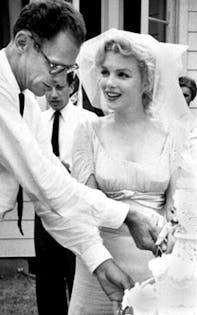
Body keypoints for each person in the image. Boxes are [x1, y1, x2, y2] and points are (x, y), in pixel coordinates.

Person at [0, 2, 165, 314]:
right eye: (55, 65)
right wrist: (127, 214)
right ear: (23, 43)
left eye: (68, 71)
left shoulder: (27, 104)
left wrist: (99, 260)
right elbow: (45, 181)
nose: (59, 79)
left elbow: (50, 201)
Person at [68, 29, 191, 315]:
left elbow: (176, 205)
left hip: (155, 265)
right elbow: (84, 205)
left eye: (123, 75)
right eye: (105, 72)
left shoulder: (172, 134)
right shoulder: (88, 130)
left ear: (146, 81)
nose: (109, 83)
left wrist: (175, 233)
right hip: (100, 264)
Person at [34, 72, 96, 315]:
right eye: (48, 88)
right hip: (46, 212)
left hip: (77, 212)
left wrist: (69, 172)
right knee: (47, 283)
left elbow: (95, 169)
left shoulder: (89, 121)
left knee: (77, 278)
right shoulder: (37, 121)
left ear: (72, 86)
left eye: (59, 87)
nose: (53, 95)